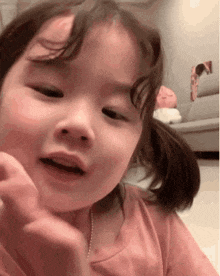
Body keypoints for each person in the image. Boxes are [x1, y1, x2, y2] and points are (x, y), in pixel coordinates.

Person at [0, 0, 218, 275]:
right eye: (49, 90)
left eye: (113, 113)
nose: (79, 125)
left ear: (137, 146)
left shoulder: (155, 222)